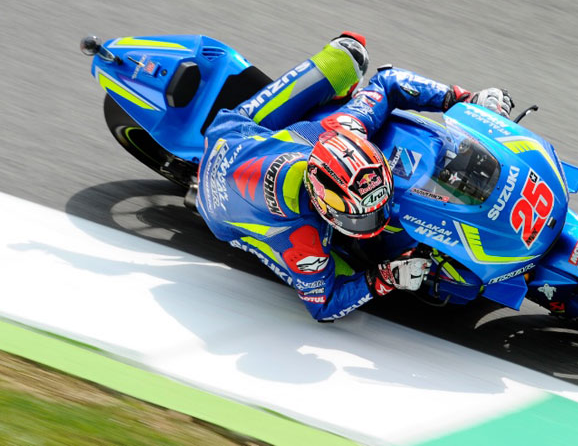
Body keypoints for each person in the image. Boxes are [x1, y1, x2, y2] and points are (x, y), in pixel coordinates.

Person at [196, 32, 514, 321]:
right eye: (362, 218)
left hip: (249, 139)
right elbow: (323, 306)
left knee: (350, 52)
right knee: (351, 271)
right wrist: (384, 278)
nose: (377, 220)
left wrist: (462, 99)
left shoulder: (345, 129)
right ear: (322, 206)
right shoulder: (302, 236)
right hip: (222, 192)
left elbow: (388, 83)